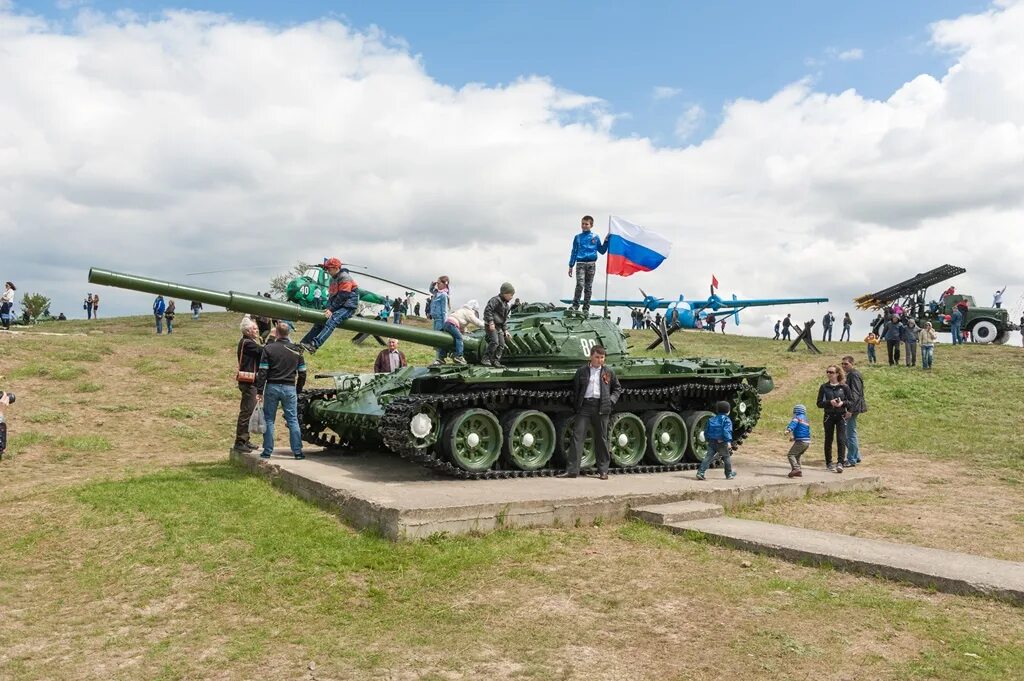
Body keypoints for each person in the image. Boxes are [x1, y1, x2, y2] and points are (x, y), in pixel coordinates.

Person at [557, 344, 622, 480]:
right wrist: (577, 404)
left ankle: (603, 471)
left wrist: (611, 401)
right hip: (585, 406)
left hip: (602, 407)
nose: (600, 360)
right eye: (597, 357)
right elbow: (576, 389)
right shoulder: (582, 371)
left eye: (602, 357)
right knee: (577, 437)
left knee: (602, 439)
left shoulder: (608, 372)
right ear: (591, 356)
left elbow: (617, 388)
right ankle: (572, 470)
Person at [256, 321, 307, 459]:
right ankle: (297, 452)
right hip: (290, 387)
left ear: (276, 333)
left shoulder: (269, 348)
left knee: (269, 419)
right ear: (288, 333)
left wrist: (259, 391)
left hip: (272, 386)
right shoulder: (297, 349)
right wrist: (298, 389)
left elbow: (263, 371)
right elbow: (302, 373)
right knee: (292, 420)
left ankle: (267, 451)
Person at [298, 258, 360, 354]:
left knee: (333, 320)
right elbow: (331, 296)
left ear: (336, 268)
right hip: (339, 305)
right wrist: (327, 308)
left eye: (329, 268)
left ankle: (315, 344)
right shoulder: (332, 279)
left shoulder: (345, 277)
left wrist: (331, 310)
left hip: (348, 306)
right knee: (320, 321)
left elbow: (343, 296)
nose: (327, 271)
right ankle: (304, 343)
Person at [232, 317, 263, 454]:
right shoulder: (248, 343)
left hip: (250, 382)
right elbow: (263, 351)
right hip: (248, 382)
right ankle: (240, 442)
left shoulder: (248, 342)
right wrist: (273, 339)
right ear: (248, 330)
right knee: (247, 412)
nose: (257, 331)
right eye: (255, 329)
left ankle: (245, 439)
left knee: (249, 412)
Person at [567, 215, 609, 314]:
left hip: (591, 264)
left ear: (591, 225)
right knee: (580, 284)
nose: (584, 226)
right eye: (583, 224)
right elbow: (574, 251)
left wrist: (606, 241)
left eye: (586, 224)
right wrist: (571, 265)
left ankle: (586, 307)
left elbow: (602, 251)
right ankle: (575, 305)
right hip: (580, 264)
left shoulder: (595, 237)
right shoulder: (577, 237)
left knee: (588, 286)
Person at [816, 364, 850, 472]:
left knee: (841, 439)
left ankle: (840, 462)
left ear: (837, 374)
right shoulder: (824, 387)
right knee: (828, 439)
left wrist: (842, 403)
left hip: (841, 416)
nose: (829, 374)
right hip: (829, 416)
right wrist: (829, 402)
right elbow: (819, 403)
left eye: (831, 372)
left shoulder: (844, 387)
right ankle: (828, 462)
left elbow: (851, 401)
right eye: (827, 372)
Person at [696, 401, 737, 481]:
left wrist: (708, 439)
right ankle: (729, 474)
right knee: (726, 457)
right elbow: (726, 431)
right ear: (728, 411)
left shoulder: (711, 419)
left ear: (717, 410)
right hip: (722, 442)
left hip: (712, 441)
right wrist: (728, 441)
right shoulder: (727, 420)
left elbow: (706, 431)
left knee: (708, 457)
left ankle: (700, 472)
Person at [438, 300, 485, 366]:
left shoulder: (461, 310)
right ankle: (459, 356)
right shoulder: (469, 312)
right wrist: (486, 325)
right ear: (474, 309)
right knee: (459, 338)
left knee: (445, 341)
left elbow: (461, 322)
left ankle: (441, 358)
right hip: (452, 324)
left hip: (447, 324)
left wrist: (465, 331)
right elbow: (476, 322)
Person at [841, 356, 867, 466]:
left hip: (853, 408)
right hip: (852, 407)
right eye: (842, 364)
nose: (843, 366)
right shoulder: (851, 374)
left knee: (849, 434)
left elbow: (855, 394)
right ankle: (856, 456)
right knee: (848, 433)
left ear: (852, 363)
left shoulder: (854, 374)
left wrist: (850, 410)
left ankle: (851, 459)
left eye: (846, 364)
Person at [483, 284, 515, 367]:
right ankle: (486, 359)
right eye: (511, 295)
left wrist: (506, 330)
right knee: (494, 342)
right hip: (491, 325)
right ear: (505, 293)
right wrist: (491, 322)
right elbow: (488, 310)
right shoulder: (495, 300)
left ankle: (496, 361)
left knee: (501, 344)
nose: (512, 297)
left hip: (499, 327)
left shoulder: (506, 306)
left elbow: (504, 320)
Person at [784, 404, 811, 478]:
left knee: (791, 454)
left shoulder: (797, 418)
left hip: (801, 441)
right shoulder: (806, 419)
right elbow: (805, 431)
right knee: (797, 456)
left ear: (796, 412)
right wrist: (794, 438)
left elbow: (793, 425)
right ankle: (799, 472)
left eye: (794, 412)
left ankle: (796, 469)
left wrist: (788, 430)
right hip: (807, 442)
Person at [429, 276, 451, 364]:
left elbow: (444, 310)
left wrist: (445, 323)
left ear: (444, 284)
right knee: (435, 339)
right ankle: (437, 358)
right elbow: (430, 290)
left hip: (440, 320)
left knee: (439, 339)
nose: (437, 284)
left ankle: (440, 358)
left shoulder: (444, 295)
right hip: (435, 319)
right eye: (437, 283)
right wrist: (432, 284)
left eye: (439, 283)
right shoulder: (436, 292)